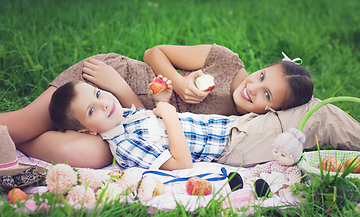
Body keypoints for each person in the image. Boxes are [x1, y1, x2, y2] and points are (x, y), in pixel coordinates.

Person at [1, 44, 359, 168]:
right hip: (105, 84)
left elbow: (149, 123)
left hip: (116, 120)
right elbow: (153, 54)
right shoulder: (225, 61)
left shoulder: (241, 120)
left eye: (268, 96)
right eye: (262, 76)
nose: (254, 89)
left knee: (91, 155)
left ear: (271, 112)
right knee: (20, 125)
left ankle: (13, 149)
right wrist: (180, 79)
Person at [49, 78, 235, 170]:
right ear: (87, 131)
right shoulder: (124, 145)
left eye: (98, 94)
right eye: (91, 110)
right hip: (229, 144)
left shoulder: (125, 116)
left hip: (225, 124)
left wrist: (161, 101)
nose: (104, 103)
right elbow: (181, 164)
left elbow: (160, 132)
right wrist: (169, 115)